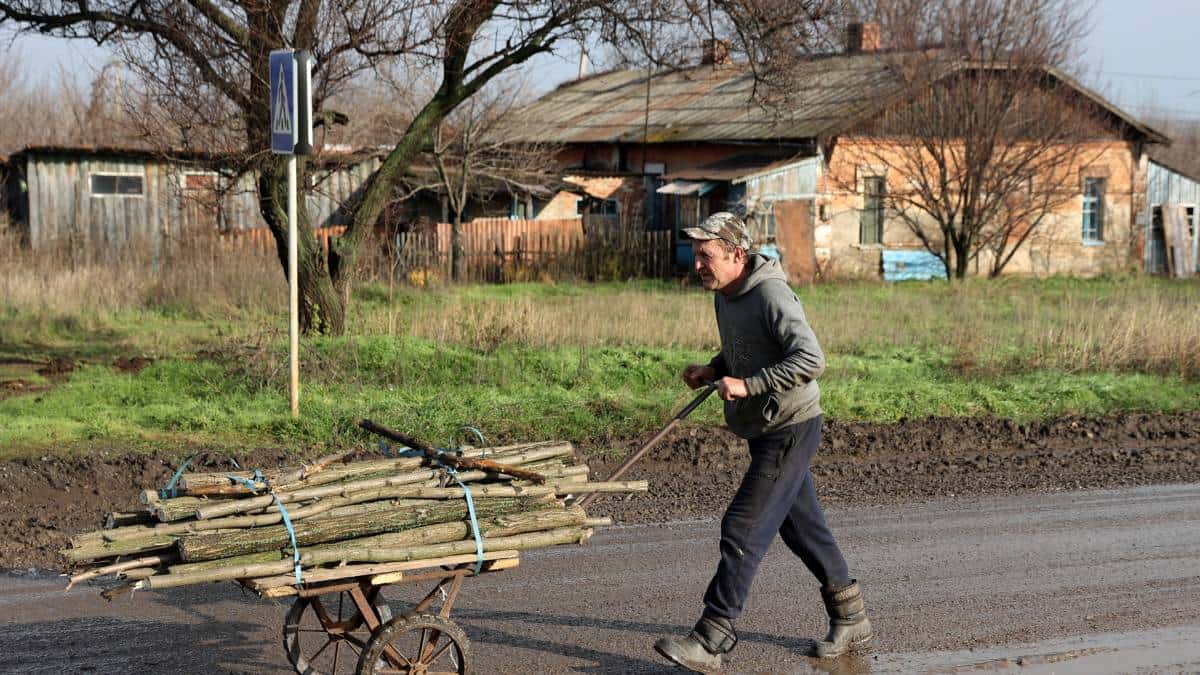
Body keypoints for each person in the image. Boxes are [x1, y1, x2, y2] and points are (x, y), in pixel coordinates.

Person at [653, 212, 871, 673]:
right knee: (802, 527)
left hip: (791, 427)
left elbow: (811, 358)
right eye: (696, 255)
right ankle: (851, 617)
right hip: (766, 428)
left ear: (736, 254)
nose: (697, 265)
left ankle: (713, 636)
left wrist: (749, 386)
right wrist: (714, 370)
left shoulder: (770, 293)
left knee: (742, 527)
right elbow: (747, 347)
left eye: (706, 255)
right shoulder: (726, 293)